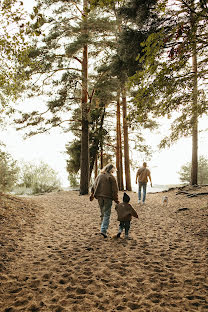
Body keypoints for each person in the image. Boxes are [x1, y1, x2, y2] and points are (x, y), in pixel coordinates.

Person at [90, 164, 119, 238]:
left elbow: (94, 186)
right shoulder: (111, 177)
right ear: (111, 169)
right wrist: (116, 199)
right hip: (108, 197)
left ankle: (102, 228)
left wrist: (92, 194)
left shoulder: (99, 176)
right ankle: (103, 230)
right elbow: (114, 190)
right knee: (107, 214)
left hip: (99, 197)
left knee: (102, 213)